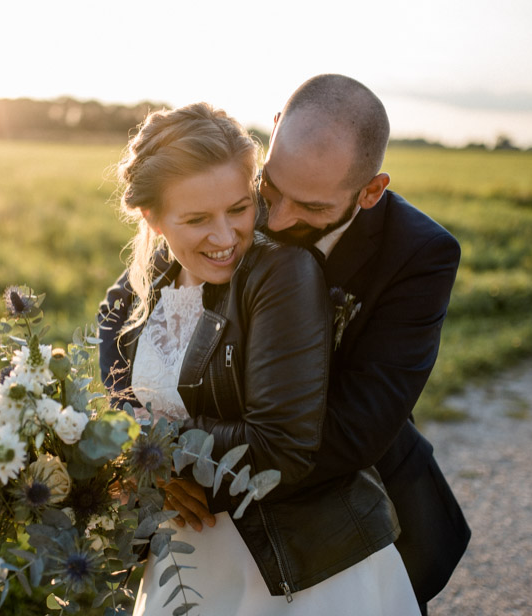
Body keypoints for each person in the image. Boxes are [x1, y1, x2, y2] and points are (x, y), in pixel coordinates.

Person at [98, 102, 420, 615]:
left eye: (240, 208)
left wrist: (155, 456)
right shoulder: (134, 292)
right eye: (198, 219)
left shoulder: (281, 275)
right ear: (151, 219)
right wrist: (135, 464)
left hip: (298, 564)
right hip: (183, 564)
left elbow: (280, 443)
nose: (226, 238)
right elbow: (111, 407)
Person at [254, 74, 471, 611]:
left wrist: (214, 478)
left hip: (359, 504)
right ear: (275, 130)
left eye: (311, 207)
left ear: (371, 191)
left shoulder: (421, 255)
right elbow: (132, 303)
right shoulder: (227, 187)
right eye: (271, 189)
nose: (276, 219)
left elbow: (359, 425)